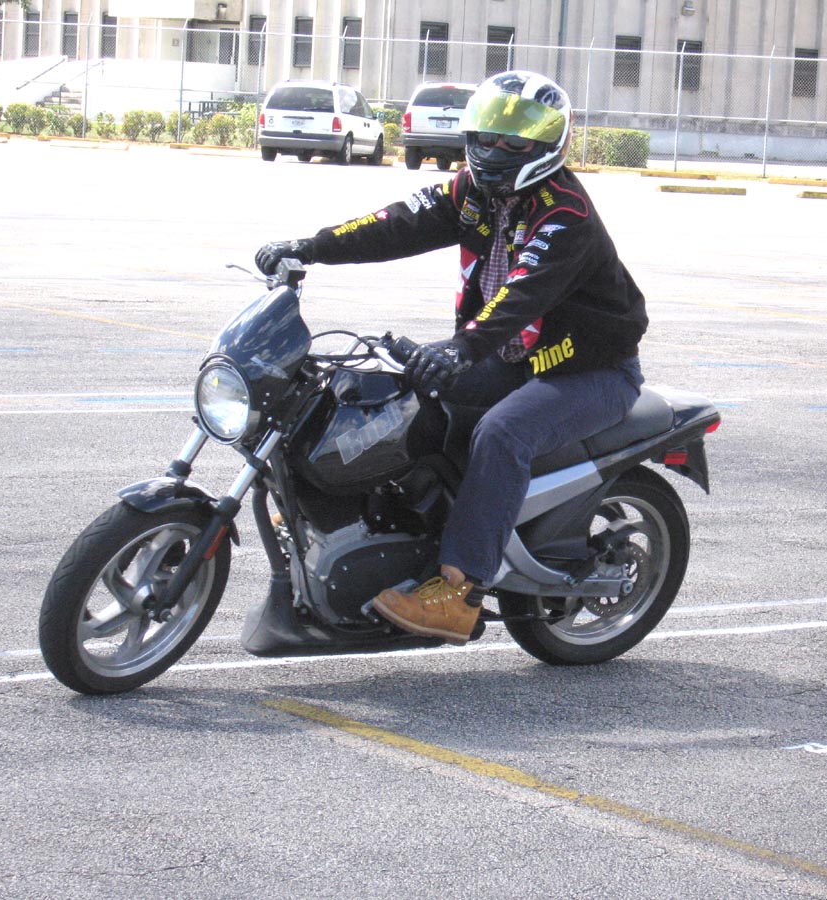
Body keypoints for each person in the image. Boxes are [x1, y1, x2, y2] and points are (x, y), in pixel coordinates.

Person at [255, 70, 647, 646]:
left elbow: (522, 295)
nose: (495, 150)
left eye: (514, 142)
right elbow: (393, 224)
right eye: (486, 137)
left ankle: (460, 592)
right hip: (513, 358)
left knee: (503, 433)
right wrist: (310, 248)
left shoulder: (565, 215)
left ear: (548, 144)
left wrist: (462, 349)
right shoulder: (472, 192)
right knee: (393, 395)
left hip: (588, 370)